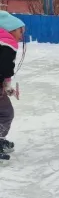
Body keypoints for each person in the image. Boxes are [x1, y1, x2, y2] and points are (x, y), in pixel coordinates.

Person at [0, 11, 25, 159]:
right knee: (6, 113)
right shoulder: (7, 42)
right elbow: (5, 67)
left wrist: (7, 86)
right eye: (20, 32)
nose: (21, 36)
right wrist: (6, 85)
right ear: (11, 29)